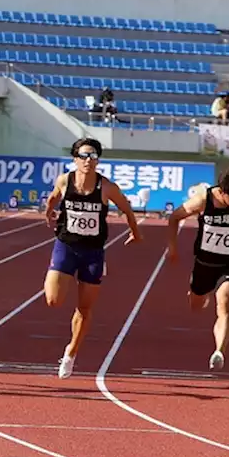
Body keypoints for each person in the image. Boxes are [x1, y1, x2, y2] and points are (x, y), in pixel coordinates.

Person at [42, 138, 142, 379]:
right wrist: (48, 213)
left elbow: (127, 210)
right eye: (84, 155)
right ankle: (71, 347)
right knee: (53, 300)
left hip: (93, 252)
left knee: (85, 307)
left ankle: (71, 352)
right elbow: (54, 197)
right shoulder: (65, 180)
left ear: (98, 160)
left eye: (93, 155)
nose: (89, 160)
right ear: (75, 158)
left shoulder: (107, 187)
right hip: (66, 245)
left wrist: (136, 233)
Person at [167, 167, 229, 371]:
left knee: (225, 304)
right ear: (222, 192)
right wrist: (172, 247)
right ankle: (197, 293)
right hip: (205, 263)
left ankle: (219, 351)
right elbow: (174, 218)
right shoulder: (203, 200)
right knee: (196, 304)